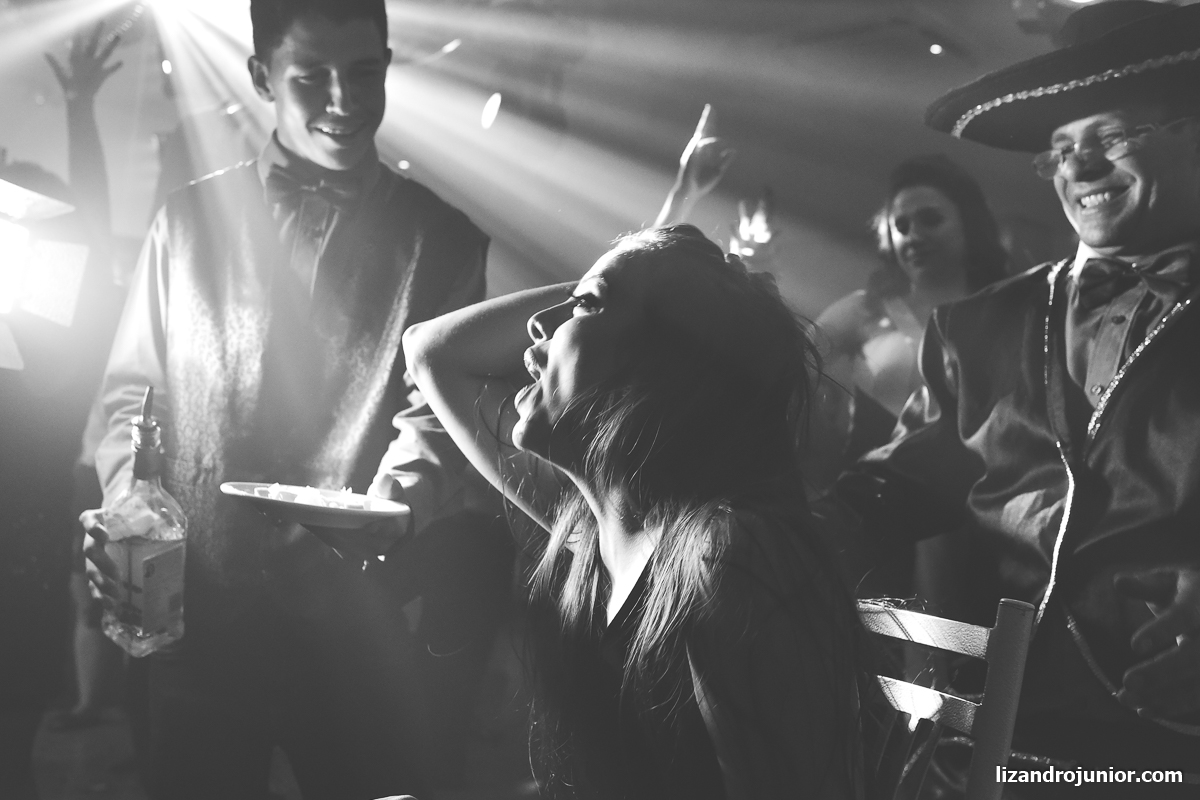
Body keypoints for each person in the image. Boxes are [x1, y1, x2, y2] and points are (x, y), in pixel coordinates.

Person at [80, 0, 507, 797]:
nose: (343, 100)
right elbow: (132, 395)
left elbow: (433, 416)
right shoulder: (184, 221)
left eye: (363, 72)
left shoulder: (445, 241)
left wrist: (392, 507)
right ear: (261, 79)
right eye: (311, 77)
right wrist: (126, 508)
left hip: (358, 620)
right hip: (197, 611)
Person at [828, 1, 1200, 793]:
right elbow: (908, 479)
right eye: (1061, 150)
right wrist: (771, 527)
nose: (1079, 169)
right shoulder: (976, 326)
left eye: (1110, 137)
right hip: (1019, 725)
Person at [403, 224, 869, 799]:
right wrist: (646, 278)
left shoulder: (728, 556)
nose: (539, 324)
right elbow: (429, 349)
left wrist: (681, 284)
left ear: (667, 357)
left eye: (584, 306)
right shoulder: (598, 534)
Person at [0, 22, 124, 798]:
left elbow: (91, 236)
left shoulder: (32, 223)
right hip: (30, 524)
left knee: (14, 722)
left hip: (25, 529)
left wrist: (81, 114)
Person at [812, 155, 1008, 486]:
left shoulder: (1007, 310)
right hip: (874, 504)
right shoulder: (864, 310)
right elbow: (784, 369)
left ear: (969, 222)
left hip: (980, 507)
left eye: (930, 219)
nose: (913, 236)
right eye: (901, 226)